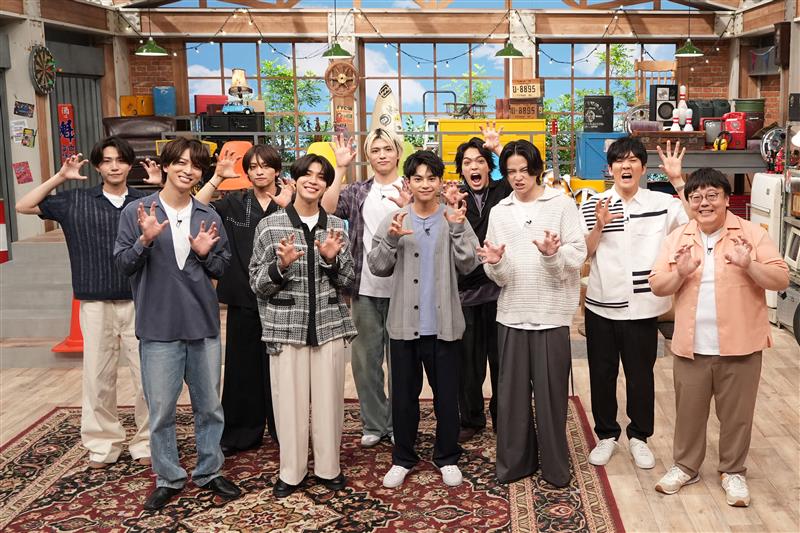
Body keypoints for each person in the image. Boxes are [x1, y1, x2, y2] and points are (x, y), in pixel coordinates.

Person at [649, 168, 789, 507]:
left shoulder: (751, 234)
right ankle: (686, 467)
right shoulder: (678, 238)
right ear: (688, 202)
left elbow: (781, 279)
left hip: (741, 345)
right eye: (696, 197)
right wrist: (680, 273)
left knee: (737, 416)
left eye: (712, 195)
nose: (704, 203)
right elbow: (657, 285)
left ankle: (733, 471)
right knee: (688, 414)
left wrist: (749, 265)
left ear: (727, 199)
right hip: (691, 346)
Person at [114, 137, 240, 511]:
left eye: (196, 165)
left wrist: (204, 254)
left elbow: (222, 267)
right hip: (158, 326)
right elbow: (123, 264)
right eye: (181, 162)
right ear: (166, 165)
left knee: (209, 407)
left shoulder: (208, 215)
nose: (188, 170)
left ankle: (209, 471)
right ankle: (168, 477)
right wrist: (145, 240)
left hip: (203, 324)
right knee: (161, 411)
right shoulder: (138, 212)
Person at [15, 137, 151, 469]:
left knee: (147, 376)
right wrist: (60, 177)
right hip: (94, 301)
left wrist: (160, 185)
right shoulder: (76, 200)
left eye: (120, 160)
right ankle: (103, 444)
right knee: (97, 376)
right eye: (107, 161)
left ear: (130, 164)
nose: (114, 166)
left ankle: (148, 441)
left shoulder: (146, 201)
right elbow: (24, 206)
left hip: (141, 300)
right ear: (97, 166)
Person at [367, 150, 480, 489]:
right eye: (418, 178)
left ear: (441, 182)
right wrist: (391, 239)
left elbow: (469, 264)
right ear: (409, 182)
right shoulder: (396, 218)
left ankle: (447, 456)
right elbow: (377, 266)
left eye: (432, 178)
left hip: (444, 326)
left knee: (447, 397)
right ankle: (403, 457)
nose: (425, 184)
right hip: (404, 326)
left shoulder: (454, 216)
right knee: (403, 398)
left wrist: (458, 229)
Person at [478, 140, 586, 487]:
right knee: (511, 398)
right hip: (511, 314)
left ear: (537, 170)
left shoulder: (561, 204)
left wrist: (552, 255)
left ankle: (555, 467)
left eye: (524, 170)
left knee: (551, 397)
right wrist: (496, 263)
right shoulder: (500, 211)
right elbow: (501, 275)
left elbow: (577, 256)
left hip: (551, 316)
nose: (518, 177)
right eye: (511, 172)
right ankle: (514, 464)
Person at [249, 154, 357, 499]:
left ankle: (329, 468)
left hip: (329, 326)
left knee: (329, 403)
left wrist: (330, 260)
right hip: (285, 328)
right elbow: (257, 283)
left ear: (326, 185)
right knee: (288, 404)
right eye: (307, 174)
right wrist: (279, 267)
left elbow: (348, 279)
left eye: (321, 176)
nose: (313, 180)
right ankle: (291, 472)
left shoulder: (336, 226)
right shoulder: (270, 226)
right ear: (294, 180)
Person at [580, 138, 690, 470]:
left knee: (641, 375)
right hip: (601, 306)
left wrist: (678, 180)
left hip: (644, 307)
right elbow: (584, 252)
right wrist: (600, 224)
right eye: (619, 161)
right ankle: (606, 435)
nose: (625, 166)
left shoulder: (662, 203)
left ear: (643, 168)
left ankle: (640, 437)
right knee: (602, 374)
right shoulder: (592, 203)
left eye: (632, 161)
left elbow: (695, 222)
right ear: (610, 168)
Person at [194, 145, 294, 456]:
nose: (259, 171)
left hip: (284, 298)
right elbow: (195, 208)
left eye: (265, 166)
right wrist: (217, 177)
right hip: (243, 297)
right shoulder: (235, 203)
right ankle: (240, 433)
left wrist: (289, 206)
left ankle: (285, 432)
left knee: (283, 370)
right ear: (247, 172)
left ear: (277, 170)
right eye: (252, 167)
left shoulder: (288, 201)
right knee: (241, 369)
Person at [321, 129, 411, 448]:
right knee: (365, 362)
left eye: (387, 148)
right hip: (365, 288)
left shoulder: (412, 187)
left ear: (398, 152)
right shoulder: (359, 190)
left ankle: (400, 423)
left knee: (401, 363)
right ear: (368, 156)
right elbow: (327, 208)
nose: (382, 155)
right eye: (375, 150)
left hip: (405, 290)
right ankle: (374, 423)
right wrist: (340, 168)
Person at [446, 125, 509, 442]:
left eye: (480, 161)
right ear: (461, 170)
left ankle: (503, 417)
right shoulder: (454, 199)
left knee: (501, 361)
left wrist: (497, 147)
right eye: (467, 162)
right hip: (466, 293)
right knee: (467, 364)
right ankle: (470, 419)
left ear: (489, 166)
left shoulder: (503, 191)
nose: (474, 167)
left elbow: (521, 170)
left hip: (500, 291)